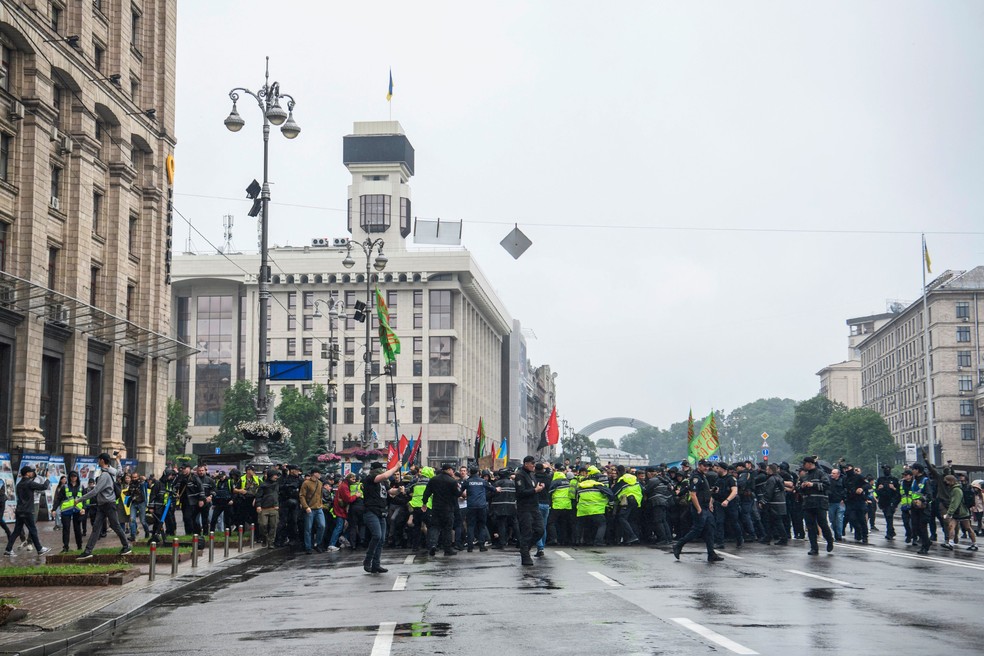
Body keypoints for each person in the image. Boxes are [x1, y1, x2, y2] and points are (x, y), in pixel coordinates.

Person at [75, 453, 131, 559]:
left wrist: (79, 499)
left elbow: (95, 491)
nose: (98, 461)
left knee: (115, 526)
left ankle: (126, 546)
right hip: (103, 505)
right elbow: (119, 471)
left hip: (108, 504)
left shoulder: (104, 475)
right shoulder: (111, 471)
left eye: (99, 459)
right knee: (96, 528)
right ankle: (88, 551)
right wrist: (118, 461)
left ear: (102, 460)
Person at [672, 460, 722, 562]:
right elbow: (693, 494)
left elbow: (703, 491)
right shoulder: (696, 477)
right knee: (696, 530)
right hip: (699, 508)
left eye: (708, 466)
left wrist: (712, 492)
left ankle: (711, 553)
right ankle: (678, 545)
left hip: (706, 507)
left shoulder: (703, 476)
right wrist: (698, 509)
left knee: (710, 529)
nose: (706, 468)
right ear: (699, 466)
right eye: (704, 466)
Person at [3, 466, 52, 556]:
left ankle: (8, 550)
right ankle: (39, 549)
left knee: (17, 531)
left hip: (19, 510)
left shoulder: (19, 484)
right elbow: (44, 486)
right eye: (31, 472)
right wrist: (47, 478)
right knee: (33, 530)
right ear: (27, 473)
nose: (32, 473)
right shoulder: (30, 483)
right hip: (27, 511)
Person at [362, 460, 401, 574]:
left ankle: (376, 564)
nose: (383, 471)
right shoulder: (370, 478)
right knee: (377, 535)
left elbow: (390, 491)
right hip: (371, 510)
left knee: (382, 539)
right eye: (381, 469)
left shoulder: (383, 482)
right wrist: (396, 467)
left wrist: (399, 490)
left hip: (382, 511)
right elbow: (383, 476)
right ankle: (368, 560)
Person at [422, 462, 460, 557]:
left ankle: (433, 545)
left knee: (435, 527)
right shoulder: (452, 481)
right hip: (448, 508)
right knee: (447, 528)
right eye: (452, 470)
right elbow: (457, 494)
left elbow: (427, 493)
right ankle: (447, 549)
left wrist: (424, 503)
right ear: (448, 470)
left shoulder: (433, 480)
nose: (453, 472)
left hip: (436, 508)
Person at [798, 456, 834, 555]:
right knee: (810, 526)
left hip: (819, 503)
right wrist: (802, 487)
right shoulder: (804, 476)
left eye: (804, 464)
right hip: (808, 504)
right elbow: (799, 489)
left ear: (810, 464)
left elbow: (827, 486)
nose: (803, 466)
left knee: (823, 523)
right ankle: (814, 548)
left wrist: (812, 485)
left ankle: (829, 540)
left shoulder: (821, 473)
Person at [515, 456, 546, 566]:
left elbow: (534, 487)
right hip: (525, 508)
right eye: (532, 463)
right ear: (526, 464)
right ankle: (525, 556)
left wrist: (539, 488)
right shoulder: (520, 475)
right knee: (526, 532)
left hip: (534, 507)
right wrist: (534, 490)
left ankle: (526, 548)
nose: (534, 465)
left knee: (540, 530)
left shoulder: (532, 475)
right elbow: (521, 492)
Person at [942, 474, 978, 551]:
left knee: (967, 528)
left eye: (946, 481)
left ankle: (974, 544)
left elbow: (955, 503)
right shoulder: (954, 489)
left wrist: (949, 513)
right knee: (951, 526)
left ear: (950, 481)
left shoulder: (956, 490)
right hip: (959, 512)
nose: (945, 483)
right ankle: (950, 543)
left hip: (961, 512)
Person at [465, 466, 494, 552]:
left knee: (470, 526)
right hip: (481, 506)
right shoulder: (483, 481)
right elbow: (492, 489)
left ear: (470, 472)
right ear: (478, 472)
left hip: (471, 506)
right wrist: (497, 489)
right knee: (481, 525)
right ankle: (482, 546)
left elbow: (460, 491)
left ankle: (470, 547)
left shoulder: (467, 481)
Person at [55, 470, 85, 552]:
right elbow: (58, 498)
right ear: (69, 477)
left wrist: (84, 508)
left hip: (78, 510)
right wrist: (54, 509)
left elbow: (85, 499)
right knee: (66, 529)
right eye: (72, 476)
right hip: (66, 510)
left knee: (77, 529)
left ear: (77, 477)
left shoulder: (81, 487)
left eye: (75, 476)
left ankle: (79, 546)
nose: (73, 478)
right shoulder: (65, 487)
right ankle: (65, 547)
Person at [298, 468, 325, 554]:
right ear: (314, 474)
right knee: (308, 529)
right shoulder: (306, 483)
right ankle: (308, 547)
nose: (320, 474)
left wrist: (321, 504)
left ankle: (317, 543)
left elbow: (320, 495)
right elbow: (302, 496)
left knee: (322, 526)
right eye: (318, 473)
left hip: (319, 508)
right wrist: (306, 507)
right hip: (310, 508)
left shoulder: (320, 483)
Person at [254, 469, 281, 547]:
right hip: (264, 508)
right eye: (275, 475)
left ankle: (271, 542)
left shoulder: (277, 484)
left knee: (273, 526)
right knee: (263, 525)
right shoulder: (263, 485)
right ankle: (264, 537)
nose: (276, 477)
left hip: (274, 507)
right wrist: (258, 505)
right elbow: (258, 496)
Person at [875, 465, 900, 540]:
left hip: (891, 501)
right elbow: (876, 491)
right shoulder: (880, 479)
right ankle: (891, 531)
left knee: (889, 516)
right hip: (883, 501)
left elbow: (898, 492)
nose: (886, 470)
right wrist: (878, 489)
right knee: (887, 516)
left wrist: (893, 488)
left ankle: (889, 533)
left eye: (887, 469)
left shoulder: (894, 479)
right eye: (885, 469)